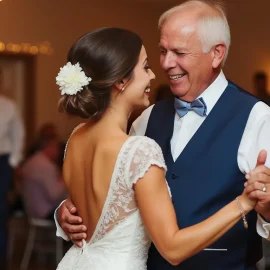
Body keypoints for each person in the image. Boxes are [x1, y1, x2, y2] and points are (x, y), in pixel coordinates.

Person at [56, 1, 270, 270]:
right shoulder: (145, 119)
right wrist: (68, 212)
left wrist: (265, 206)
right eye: (162, 51)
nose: (166, 64)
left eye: (179, 52)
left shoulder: (258, 117)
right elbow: (112, 193)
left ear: (216, 54)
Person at [0, 69, 25, 269]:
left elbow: (18, 134)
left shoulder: (8, 106)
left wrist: (13, 163)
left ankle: (1, 257)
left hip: (2, 162)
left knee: (1, 212)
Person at [21, 138, 66, 220]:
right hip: (45, 212)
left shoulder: (30, 161)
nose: (60, 153)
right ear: (52, 147)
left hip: (30, 211)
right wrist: (64, 178)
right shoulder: (47, 166)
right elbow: (55, 195)